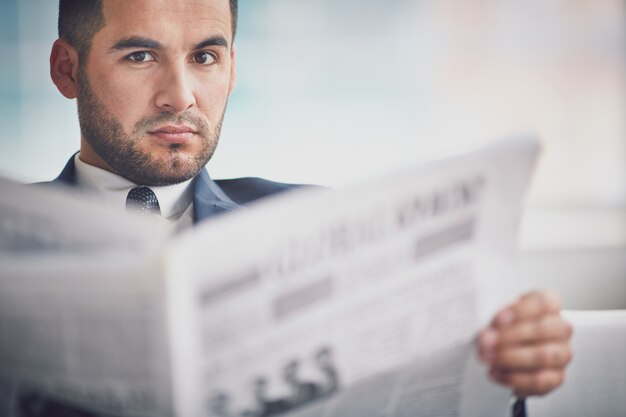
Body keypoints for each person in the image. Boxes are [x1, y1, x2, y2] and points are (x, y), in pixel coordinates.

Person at [43, 0, 573, 415]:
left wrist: (503, 369)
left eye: (205, 57)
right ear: (68, 70)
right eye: (140, 56)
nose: (179, 96)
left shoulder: (323, 224)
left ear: (230, 71)